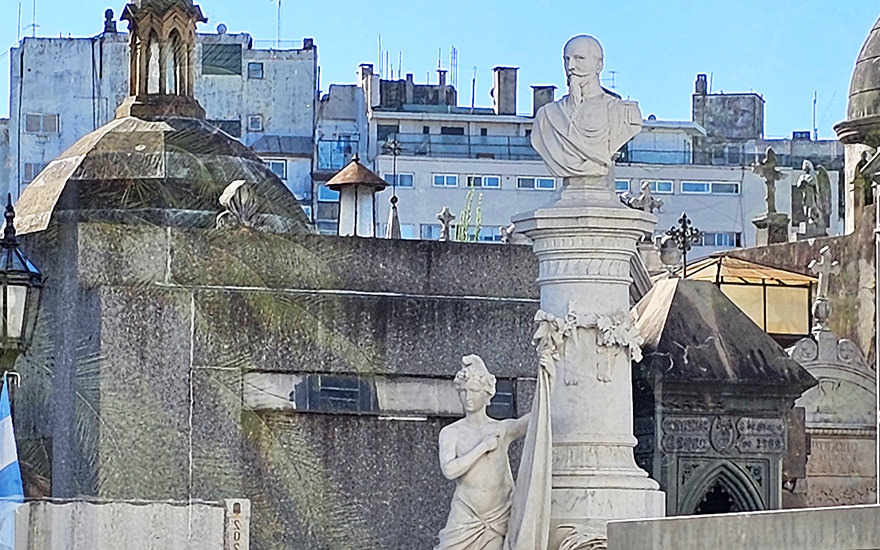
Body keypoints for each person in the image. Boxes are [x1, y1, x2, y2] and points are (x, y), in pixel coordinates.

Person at [434, 355, 529, 550]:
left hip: (497, 516)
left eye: (474, 391)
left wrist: (550, 385)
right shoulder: (451, 432)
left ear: (487, 394)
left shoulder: (501, 429)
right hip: (465, 515)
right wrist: (482, 448)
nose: (468, 397)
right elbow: (449, 470)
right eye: (463, 391)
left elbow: (533, 421)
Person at [531, 35, 642, 179]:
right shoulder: (546, 116)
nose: (571, 66)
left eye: (579, 58)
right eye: (567, 59)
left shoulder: (624, 112)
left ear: (599, 65)